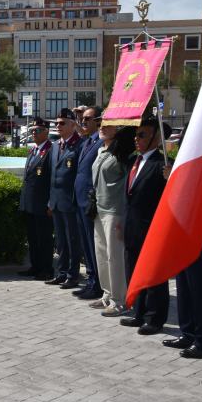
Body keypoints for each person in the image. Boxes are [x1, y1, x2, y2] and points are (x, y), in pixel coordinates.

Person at [120, 116, 172, 335]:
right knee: (135, 272)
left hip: (152, 228)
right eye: (136, 134)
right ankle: (138, 312)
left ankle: (155, 318)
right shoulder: (136, 160)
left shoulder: (162, 165)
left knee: (154, 276)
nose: (136, 138)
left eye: (142, 134)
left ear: (156, 138)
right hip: (133, 227)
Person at [90, 122, 135, 316]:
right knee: (101, 254)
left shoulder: (124, 154)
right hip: (99, 209)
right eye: (101, 124)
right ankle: (107, 294)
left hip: (115, 210)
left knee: (114, 256)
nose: (102, 127)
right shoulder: (102, 151)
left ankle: (120, 300)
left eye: (108, 125)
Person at [45, 108, 84, 289]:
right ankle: (61, 273)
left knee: (72, 240)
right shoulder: (55, 146)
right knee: (60, 241)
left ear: (72, 125)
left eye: (62, 123)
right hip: (56, 201)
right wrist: (50, 201)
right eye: (56, 123)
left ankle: (73, 275)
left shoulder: (79, 145)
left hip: (70, 202)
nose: (58, 126)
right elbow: (53, 175)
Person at [72, 106, 104, 300]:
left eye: (87, 119)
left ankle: (99, 284)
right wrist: (78, 120)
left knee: (94, 246)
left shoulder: (101, 142)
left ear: (98, 121)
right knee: (86, 245)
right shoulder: (86, 142)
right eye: (82, 119)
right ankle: (91, 280)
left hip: (91, 202)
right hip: (80, 201)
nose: (83, 122)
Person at [17, 117, 54, 280]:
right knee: (32, 238)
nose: (34, 133)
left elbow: (53, 179)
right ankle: (35, 266)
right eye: (32, 130)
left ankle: (46, 269)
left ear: (46, 132)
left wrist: (51, 203)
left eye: (38, 130)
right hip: (29, 202)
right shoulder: (33, 150)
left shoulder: (51, 150)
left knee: (44, 239)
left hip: (42, 203)